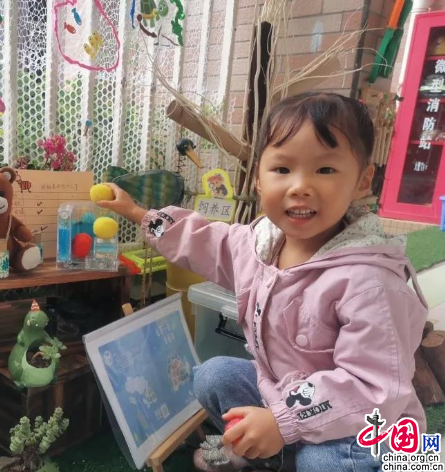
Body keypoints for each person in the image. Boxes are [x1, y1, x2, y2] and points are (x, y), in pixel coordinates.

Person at [97, 92, 429, 472]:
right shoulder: (261, 244)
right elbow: (205, 241)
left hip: (362, 426)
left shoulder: (371, 282)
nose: (300, 186)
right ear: (258, 179)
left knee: (320, 462)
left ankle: (289, 451)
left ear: (361, 182)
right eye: (282, 169)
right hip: (285, 395)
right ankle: (271, 456)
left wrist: (283, 422)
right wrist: (138, 213)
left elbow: (371, 387)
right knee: (213, 375)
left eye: (325, 170)